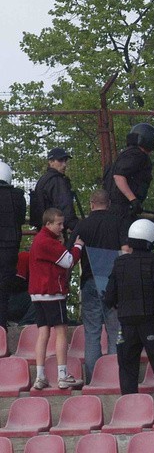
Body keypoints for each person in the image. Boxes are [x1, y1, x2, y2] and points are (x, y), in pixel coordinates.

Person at [104, 219, 154, 407]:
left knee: (127, 367)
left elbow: (109, 297)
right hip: (150, 321)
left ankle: (130, 407)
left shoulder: (119, 263)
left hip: (126, 324)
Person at [68, 189, 130, 382]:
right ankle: (114, 376)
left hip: (89, 281)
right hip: (113, 282)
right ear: (109, 204)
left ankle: (94, 379)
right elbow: (126, 251)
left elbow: (70, 254)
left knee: (92, 331)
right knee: (115, 330)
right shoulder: (118, 222)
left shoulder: (82, 225)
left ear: (91, 204)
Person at [29, 207, 84, 390]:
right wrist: (78, 246)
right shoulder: (47, 242)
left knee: (43, 333)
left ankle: (40, 376)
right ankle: (62, 375)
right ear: (48, 224)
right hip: (52, 292)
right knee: (61, 331)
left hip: (37, 294)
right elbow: (68, 261)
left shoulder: (39, 240)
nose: (62, 227)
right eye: (59, 224)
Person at [105, 123, 154, 223]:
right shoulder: (137, 155)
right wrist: (133, 200)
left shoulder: (127, 154)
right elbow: (119, 176)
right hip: (122, 209)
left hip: (118, 208)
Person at [0, 161, 27, 330]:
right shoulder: (17, 196)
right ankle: (2, 328)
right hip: (10, 249)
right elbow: (20, 220)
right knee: (3, 290)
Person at [30, 147, 78, 232]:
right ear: (51, 162)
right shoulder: (57, 181)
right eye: (60, 160)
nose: (64, 164)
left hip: (43, 230)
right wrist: (78, 228)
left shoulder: (43, 180)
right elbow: (65, 208)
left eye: (65, 161)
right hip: (56, 231)